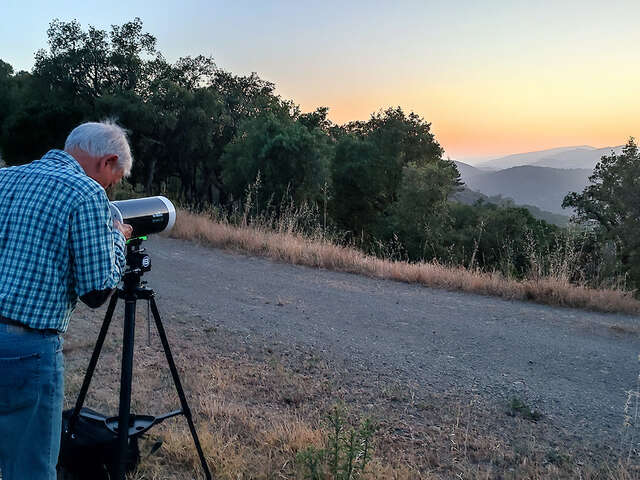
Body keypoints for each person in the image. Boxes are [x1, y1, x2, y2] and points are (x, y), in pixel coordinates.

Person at [0, 121, 134, 479]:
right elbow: (96, 292)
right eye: (113, 181)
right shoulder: (86, 193)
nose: (108, 190)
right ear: (106, 162)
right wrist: (117, 238)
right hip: (27, 349)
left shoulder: (6, 178)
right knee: (30, 468)